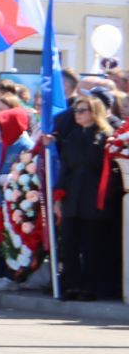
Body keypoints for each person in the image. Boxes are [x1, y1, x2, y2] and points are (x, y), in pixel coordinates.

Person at [54, 94, 119, 301]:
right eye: (76, 110)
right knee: (70, 244)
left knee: (92, 246)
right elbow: (65, 169)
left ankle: (90, 287)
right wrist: (58, 197)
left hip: (94, 197)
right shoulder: (72, 136)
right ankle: (72, 284)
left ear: (94, 112)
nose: (77, 114)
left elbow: (105, 170)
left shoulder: (105, 136)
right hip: (73, 197)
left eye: (82, 110)